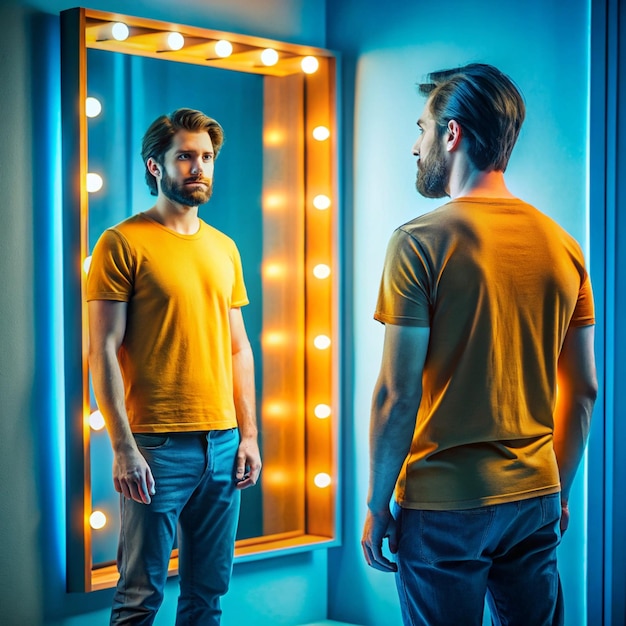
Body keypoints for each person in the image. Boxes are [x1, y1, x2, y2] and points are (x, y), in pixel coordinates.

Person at [360, 64, 597, 625]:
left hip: (446, 506)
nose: (415, 147)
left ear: (452, 133)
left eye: (422, 128)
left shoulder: (418, 243)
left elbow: (398, 394)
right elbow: (584, 391)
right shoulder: (563, 247)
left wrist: (376, 506)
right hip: (535, 496)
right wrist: (556, 491)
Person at [87, 108, 262, 626]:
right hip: (157, 447)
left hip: (224, 442)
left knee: (207, 596)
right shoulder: (121, 243)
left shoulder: (224, 248)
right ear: (155, 166)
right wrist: (123, 448)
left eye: (206, 157)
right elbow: (102, 350)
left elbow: (238, 348)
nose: (198, 167)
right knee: (140, 598)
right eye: (184, 156)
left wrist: (248, 435)